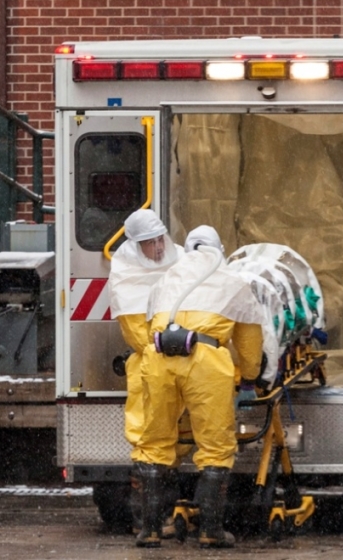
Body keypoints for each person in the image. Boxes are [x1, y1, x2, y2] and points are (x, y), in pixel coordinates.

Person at [132, 225, 266, 549]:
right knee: (215, 446)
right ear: (219, 250)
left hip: (159, 356)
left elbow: (151, 327)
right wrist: (250, 376)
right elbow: (249, 345)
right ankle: (210, 531)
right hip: (204, 360)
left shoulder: (166, 279)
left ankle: (149, 530)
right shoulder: (234, 283)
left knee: (154, 443)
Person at [108, 209, 183, 536]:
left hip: (180, 357)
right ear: (137, 245)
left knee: (183, 439)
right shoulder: (127, 273)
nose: (158, 247)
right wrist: (165, 346)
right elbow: (136, 332)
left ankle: (168, 514)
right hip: (151, 362)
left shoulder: (178, 260)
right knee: (149, 438)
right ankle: (148, 520)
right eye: (150, 243)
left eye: (159, 240)